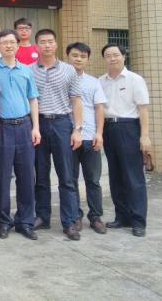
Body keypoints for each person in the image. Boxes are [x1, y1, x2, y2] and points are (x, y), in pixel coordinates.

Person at [31, 29, 83, 241]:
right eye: (42, 42)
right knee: (41, 175)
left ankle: (69, 221)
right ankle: (42, 216)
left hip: (62, 124)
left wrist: (77, 129)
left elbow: (76, 100)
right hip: (39, 124)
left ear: (56, 44)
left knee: (66, 176)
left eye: (50, 41)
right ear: (37, 45)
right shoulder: (29, 70)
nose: (47, 45)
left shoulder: (69, 70)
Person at [0, 29, 40, 241]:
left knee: (27, 177)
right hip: (2, 128)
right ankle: (3, 222)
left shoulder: (26, 70)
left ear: (18, 45)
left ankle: (25, 222)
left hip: (24, 126)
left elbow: (33, 99)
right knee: (1, 177)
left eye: (12, 42)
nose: (9, 46)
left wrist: (36, 127)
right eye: (4, 42)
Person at [99, 44, 150, 238]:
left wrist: (144, 136)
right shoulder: (100, 81)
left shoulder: (135, 80)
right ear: (104, 59)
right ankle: (122, 216)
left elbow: (143, 109)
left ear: (123, 56)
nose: (112, 58)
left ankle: (138, 221)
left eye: (116, 55)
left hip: (129, 128)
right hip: (108, 129)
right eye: (108, 55)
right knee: (116, 175)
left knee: (133, 176)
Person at [66, 42, 107, 234]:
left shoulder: (93, 82)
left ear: (88, 59)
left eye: (83, 56)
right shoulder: (62, 79)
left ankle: (96, 216)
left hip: (90, 137)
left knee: (93, 180)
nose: (78, 59)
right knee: (71, 179)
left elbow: (99, 108)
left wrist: (99, 133)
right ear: (67, 56)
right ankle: (75, 216)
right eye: (75, 55)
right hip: (68, 138)